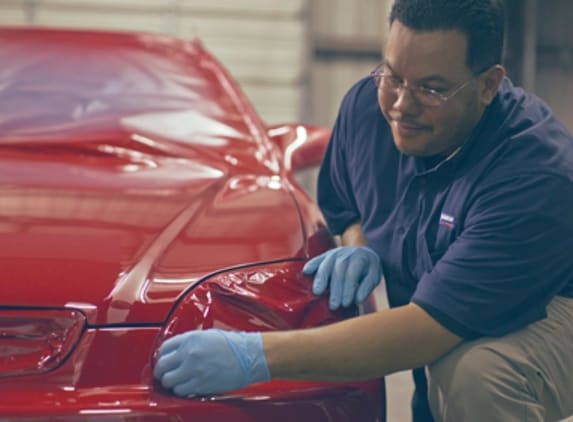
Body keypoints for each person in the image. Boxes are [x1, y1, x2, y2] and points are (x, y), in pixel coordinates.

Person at [153, 0, 573, 420]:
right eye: (393, 76)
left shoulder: (532, 176)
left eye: (431, 89)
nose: (401, 105)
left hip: (553, 300)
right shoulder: (368, 110)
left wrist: (255, 356)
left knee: (477, 373)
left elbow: (427, 330)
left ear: (487, 86)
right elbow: (346, 200)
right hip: (452, 313)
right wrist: (360, 244)